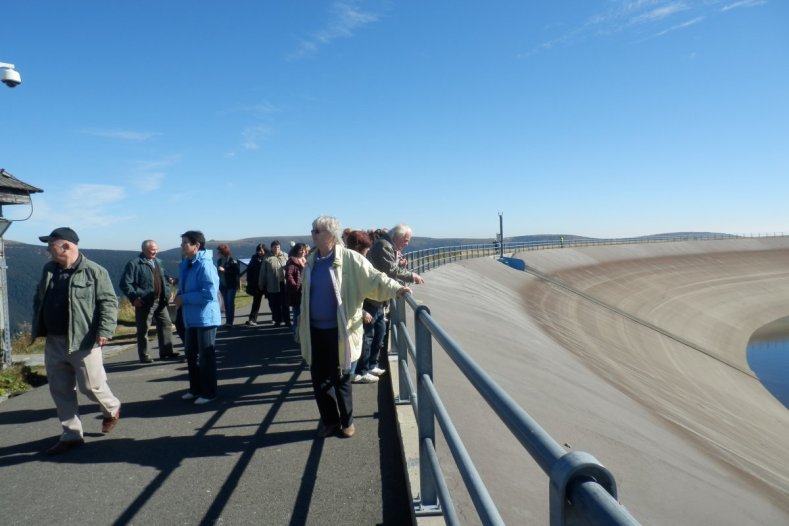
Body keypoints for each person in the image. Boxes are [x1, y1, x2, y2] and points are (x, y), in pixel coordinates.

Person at [298, 216, 411, 439]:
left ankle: (347, 422)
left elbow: (374, 278)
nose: (313, 234)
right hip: (314, 330)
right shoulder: (311, 260)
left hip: (340, 330)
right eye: (312, 230)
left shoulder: (350, 259)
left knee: (340, 376)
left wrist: (397, 289)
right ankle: (329, 420)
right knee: (319, 378)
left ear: (331, 235)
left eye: (317, 231)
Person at [31, 227, 121, 455]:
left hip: (83, 340)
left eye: (50, 244)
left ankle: (112, 408)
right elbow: (39, 297)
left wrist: (105, 330)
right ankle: (71, 435)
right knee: (60, 389)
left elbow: (109, 302)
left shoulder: (94, 271)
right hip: (54, 340)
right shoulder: (49, 269)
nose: (47, 249)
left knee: (91, 386)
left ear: (66, 246)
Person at [175, 230, 221, 405]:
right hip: (190, 317)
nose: (182, 245)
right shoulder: (187, 264)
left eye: (185, 242)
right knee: (190, 354)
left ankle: (209, 392)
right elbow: (185, 287)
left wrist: (183, 299)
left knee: (206, 356)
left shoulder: (205, 265)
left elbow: (209, 294)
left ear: (196, 245)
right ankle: (195, 389)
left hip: (205, 318)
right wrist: (180, 296)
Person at [120, 239, 179, 363]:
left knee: (166, 324)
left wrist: (168, 287)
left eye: (156, 249)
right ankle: (144, 355)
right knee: (143, 329)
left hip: (160, 300)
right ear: (144, 250)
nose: (155, 252)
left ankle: (166, 351)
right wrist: (134, 298)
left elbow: (164, 277)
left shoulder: (158, 262)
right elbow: (125, 284)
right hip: (144, 302)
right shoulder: (134, 264)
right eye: (152, 250)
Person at [259, 240, 289, 327]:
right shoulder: (267, 258)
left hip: (283, 283)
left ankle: (287, 321)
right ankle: (277, 321)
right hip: (272, 284)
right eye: (275, 247)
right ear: (271, 248)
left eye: (278, 247)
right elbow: (263, 272)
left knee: (285, 304)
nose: (277, 249)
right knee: (274, 304)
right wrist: (261, 284)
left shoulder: (285, 255)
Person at [216, 243, 240, 327]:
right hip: (222, 286)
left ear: (223, 252)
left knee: (230, 303)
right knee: (225, 304)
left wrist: (225, 270)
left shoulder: (232, 259)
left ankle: (230, 322)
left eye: (219, 252)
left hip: (231, 285)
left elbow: (236, 271)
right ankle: (227, 321)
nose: (218, 253)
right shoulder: (219, 261)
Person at [285, 243, 307, 333]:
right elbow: (289, 275)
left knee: (303, 311)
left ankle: (301, 331)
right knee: (297, 312)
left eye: (304, 250)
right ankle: (296, 331)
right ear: (296, 250)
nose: (302, 252)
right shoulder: (292, 261)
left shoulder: (305, 260)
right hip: (297, 291)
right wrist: (295, 285)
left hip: (304, 289)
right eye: (300, 250)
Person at [243, 243, 267, 326]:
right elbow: (249, 271)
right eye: (258, 250)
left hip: (266, 283)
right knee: (256, 302)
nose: (260, 252)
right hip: (256, 284)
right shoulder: (254, 259)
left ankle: (277, 317)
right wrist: (249, 281)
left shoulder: (267, 258)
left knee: (272, 302)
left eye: (261, 250)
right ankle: (252, 319)